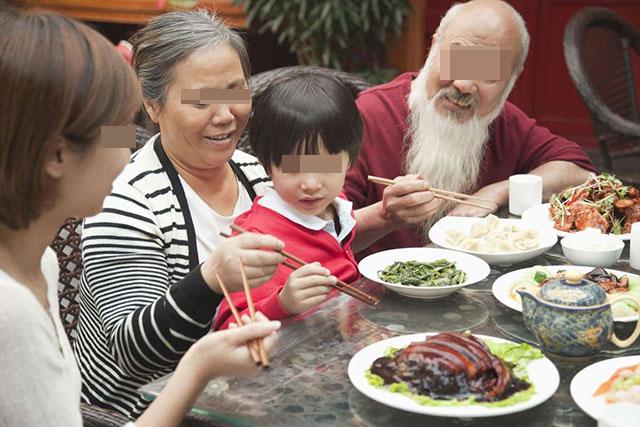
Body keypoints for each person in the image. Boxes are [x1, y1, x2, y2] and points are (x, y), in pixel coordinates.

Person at [0, 7, 280, 427]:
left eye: (236, 92)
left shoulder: (43, 262)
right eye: (115, 131)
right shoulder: (126, 197)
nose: (127, 152)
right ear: (152, 104)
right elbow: (133, 355)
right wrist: (206, 288)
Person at [345, 0, 596, 259]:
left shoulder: (501, 121)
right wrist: (384, 217)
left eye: (487, 72)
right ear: (433, 47)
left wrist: (500, 191)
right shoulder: (366, 116)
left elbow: (579, 171)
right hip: (376, 290)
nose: (464, 84)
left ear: (512, 78)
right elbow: (311, 232)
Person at [214, 74, 363, 330]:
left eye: (326, 167)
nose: (311, 184)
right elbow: (228, 324)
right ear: (267, 165)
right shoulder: (256, 238)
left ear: (349, 161)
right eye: (294, 168)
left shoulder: (336, 205)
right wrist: (283, 303)